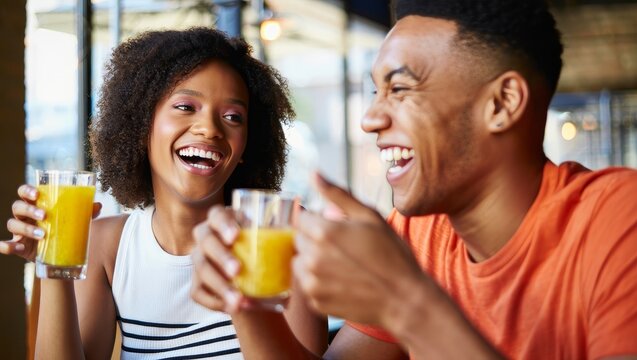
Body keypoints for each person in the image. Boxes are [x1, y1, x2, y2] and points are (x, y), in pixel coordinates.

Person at [189, 0, 637, 359]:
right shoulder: (420, 234)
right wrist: (246, 304)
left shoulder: (620, 222)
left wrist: (405, 301)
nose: (369, 119)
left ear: (502, 104)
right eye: (374, 92)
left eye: (400, 89)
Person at [1, 27, 326, 359]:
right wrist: (54, 263)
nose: (210, 128)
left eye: (232, 117)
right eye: (186, 107)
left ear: (246, 145)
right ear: (143, 125)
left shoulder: (282, 241)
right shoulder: (107, 247)